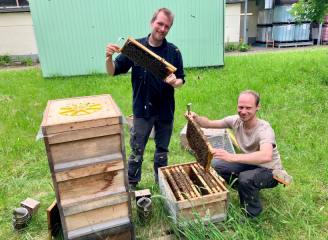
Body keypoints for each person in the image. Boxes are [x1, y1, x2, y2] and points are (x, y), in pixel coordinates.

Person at [105, 8, 185, 189]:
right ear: (152, 23)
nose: (162, 29)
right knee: (137, 149)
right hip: (142, 109)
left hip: (165, 109)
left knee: (162, 151)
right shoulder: (136, 48)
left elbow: (181, 79)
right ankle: (132, 183)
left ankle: (161, 184)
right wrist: (108, 57)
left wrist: (175, 81)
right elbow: (113, 71)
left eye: (167, 26)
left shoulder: (174, 51)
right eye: (160, 24)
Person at [188, 90, 290, 218]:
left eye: (248, 108)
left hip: (270, 170)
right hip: (249, 163)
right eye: (240, 107)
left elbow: (266, 156)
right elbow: (209, 123)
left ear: (258, 107)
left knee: (246, 178)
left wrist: (231, 157)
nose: (243, 111)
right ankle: (247, 189)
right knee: (216, 164)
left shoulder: (264, 129)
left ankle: (252, 215)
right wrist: (196, 118)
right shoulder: (235, 121)